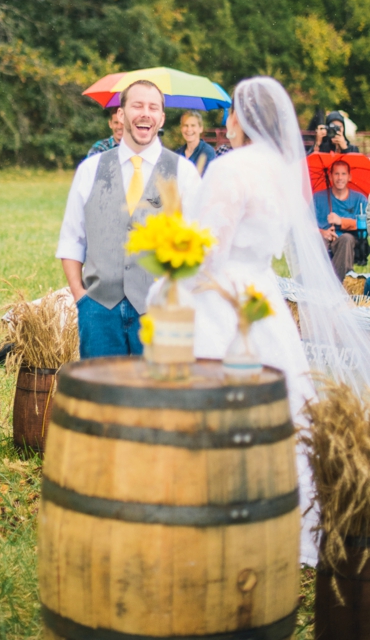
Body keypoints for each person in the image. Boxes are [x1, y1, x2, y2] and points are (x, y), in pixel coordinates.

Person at [181, 76, 370, 566]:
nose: (227, 122)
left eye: (231, 112)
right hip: (263, 298)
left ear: (241, 118)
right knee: (281, 410)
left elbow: (208, 253)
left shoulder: (231, 169)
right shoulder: (284, 172)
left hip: (223, 300)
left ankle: (221, 515)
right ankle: (290, 519)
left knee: (223, 409)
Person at [56, 80, 201, 358]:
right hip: (99, 312)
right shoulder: (90, 170)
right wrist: (81, 297)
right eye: (137, 105)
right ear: (121, 115)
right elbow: (72, 238)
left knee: (156, 399)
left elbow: (198, 246)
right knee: (101, 398)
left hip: (161, 312)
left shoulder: (183, 172)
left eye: (153, 107)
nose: (145, 113)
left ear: (161, 118)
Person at [313, 159, 366, 280]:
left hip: (347, 240)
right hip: (325, 238)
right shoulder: (318, 197)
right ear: (330, 176)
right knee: (319, 240)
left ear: (349, 177)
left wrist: (341, 221)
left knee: (346, 239)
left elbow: (366, 224)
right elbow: (306, 224)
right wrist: (322, 232)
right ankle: (315, 280)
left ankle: (335, 284)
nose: (340, 178)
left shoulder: (359, 199)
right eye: (336, 174)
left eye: (343, 174)